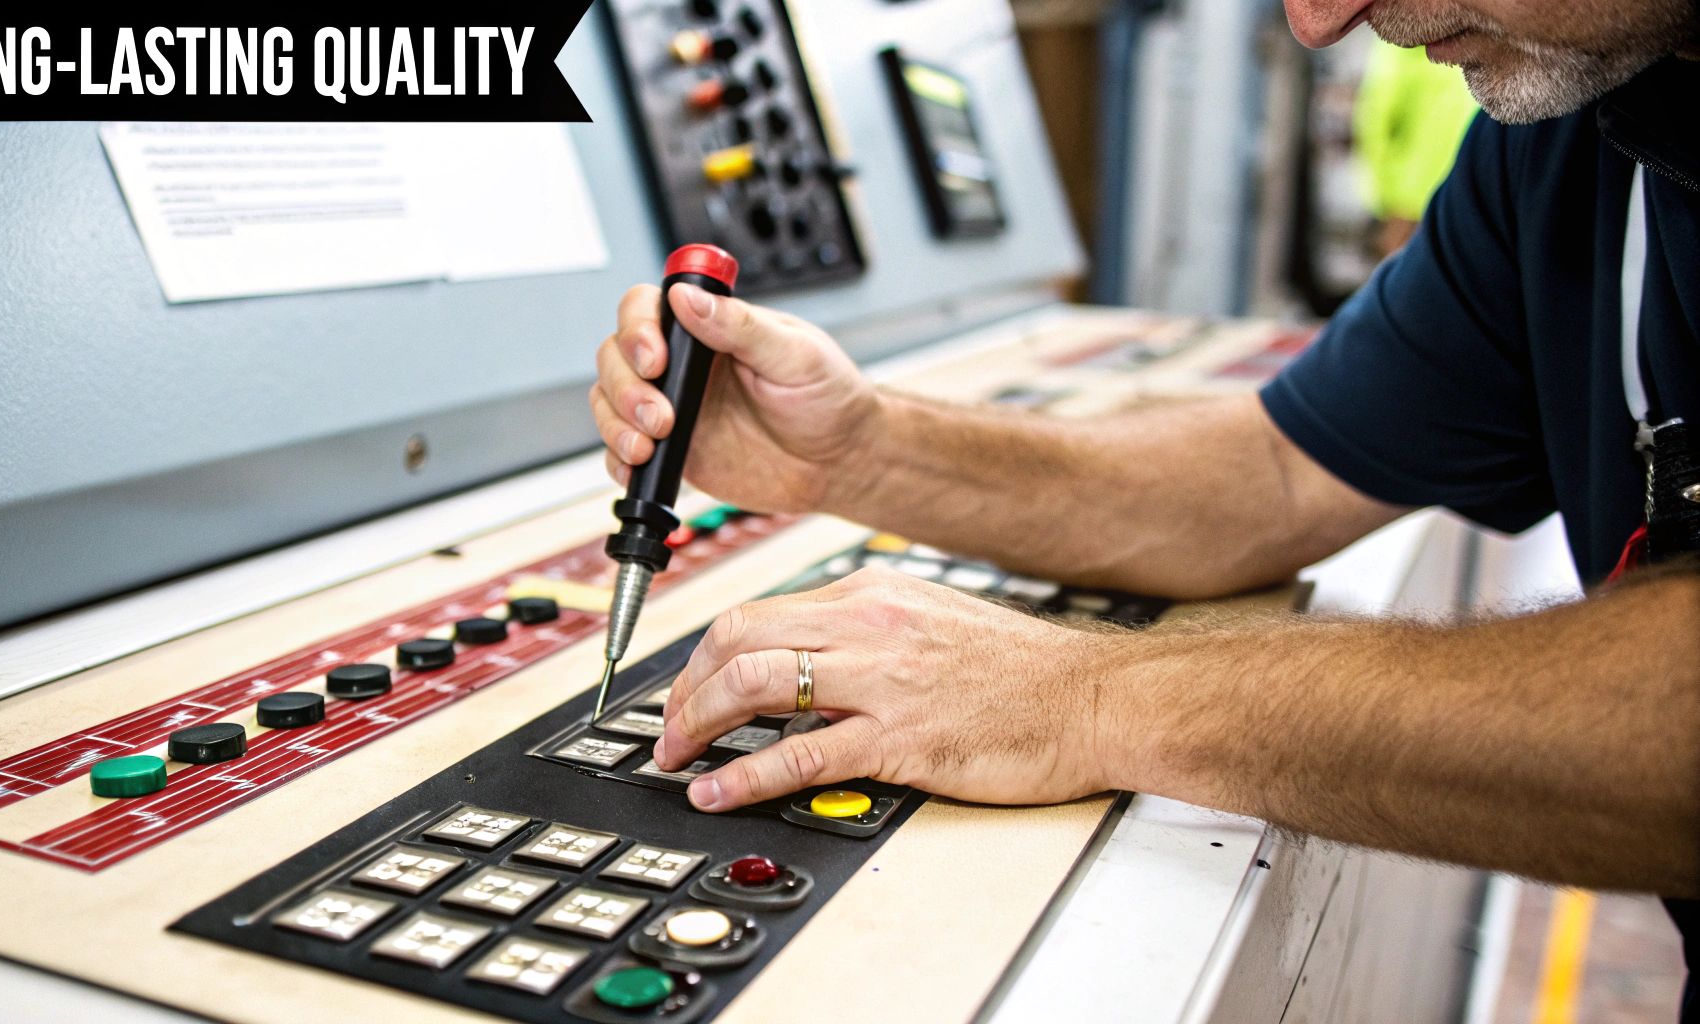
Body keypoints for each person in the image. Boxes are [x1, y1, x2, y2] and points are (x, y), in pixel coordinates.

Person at [590, 0, 1699, 1010]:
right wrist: (855, 450)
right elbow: (1271, 476)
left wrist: (1086, 696)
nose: (1317, 24)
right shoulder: (1571, 142)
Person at [1352, 38, 1481, 255]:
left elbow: (1378, 121)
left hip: (1407, 192)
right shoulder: (1471, 41)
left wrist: (1379, 194)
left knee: (1405, 273)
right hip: (1457, 188)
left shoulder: (1401, 46)